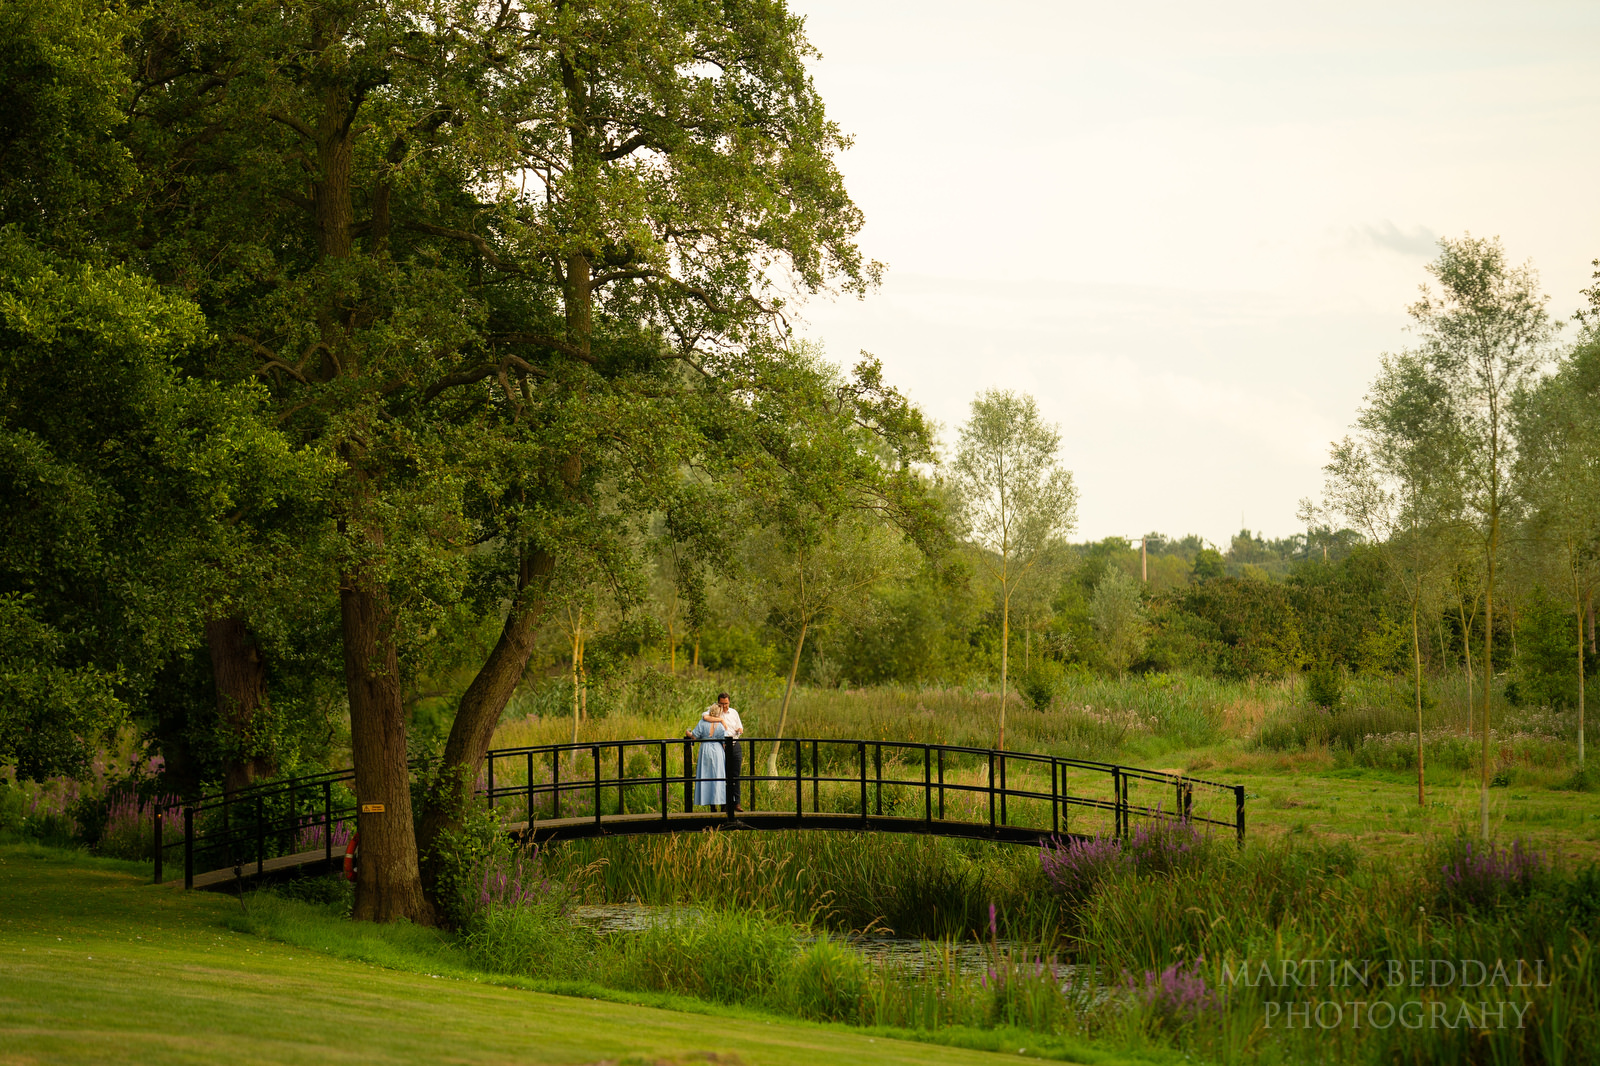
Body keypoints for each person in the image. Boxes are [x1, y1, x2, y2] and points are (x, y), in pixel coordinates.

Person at [700, 692, 744, 813]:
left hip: (734, 744)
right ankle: (723, 804)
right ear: (718, 702)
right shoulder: (713, 711)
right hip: (720, 746)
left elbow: (740, 727)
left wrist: (739, 730)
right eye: (722, 703)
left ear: (729, 702)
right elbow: (705, 717)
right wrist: (721, 720)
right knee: (720, 775)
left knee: (735, 774)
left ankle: (736, 803)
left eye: (726, 703)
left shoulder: (734, 712)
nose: (724, 706)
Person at [685, 709, 727, 810]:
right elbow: (724, 740)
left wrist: (688, 734)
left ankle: (712, 805)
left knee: (707, 775)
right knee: (718, 775)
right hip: (717, 749)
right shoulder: (720, 724)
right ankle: (721, 802)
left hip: (705, 749)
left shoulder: (702, 723)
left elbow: (694, 736)